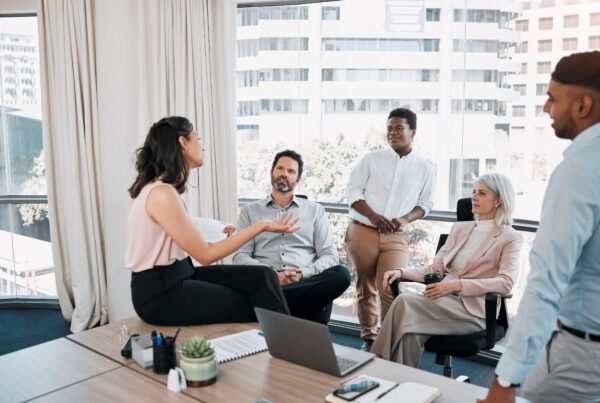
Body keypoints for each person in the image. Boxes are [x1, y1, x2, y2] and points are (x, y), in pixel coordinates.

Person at [479, 52, 600, 403]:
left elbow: (546, 283)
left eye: (552, 98)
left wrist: (504, 381)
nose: (547, 109)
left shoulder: (580, 172)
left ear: (583, 105)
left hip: (581, 360)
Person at [125, 116, 300, 326]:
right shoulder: (162, 193)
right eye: (197, 138)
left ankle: (291, 339)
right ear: (183, 143)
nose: (202, 145)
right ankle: (289, 348)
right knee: (253, 301)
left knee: (263, 276)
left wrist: (214, 233)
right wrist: (261, 226)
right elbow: (206, 256)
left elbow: (173, 241)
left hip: (180, 274)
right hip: (160, 294)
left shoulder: (160, 189)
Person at [371, 173, 523, 367]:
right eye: (474, 192)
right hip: (441, 303)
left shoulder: (510, 237)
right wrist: (401, 272)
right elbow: (435, 268)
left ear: (498, 200)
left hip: (473, 312)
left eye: (482, 193)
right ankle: (402, 387)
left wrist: (456, 285)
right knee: (409, 333)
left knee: (404, 301)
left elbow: (506, 283)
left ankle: (376, 367)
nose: (474, 197)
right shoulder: (460, 229)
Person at [345, 107, 435, 350]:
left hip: (396, 236)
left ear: (413, 132)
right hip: (362, 230)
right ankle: (369, 338)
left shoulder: (425, 168)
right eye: (389, 128)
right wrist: (372, 216)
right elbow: (352, 191)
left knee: (392, 287)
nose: (392, 133)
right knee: (365, 287)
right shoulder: (371, 159)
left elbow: (425, 204)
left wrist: (405, 219)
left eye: (399, 128)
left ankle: (387, 342)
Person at [233, 150, 351, 324]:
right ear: (271, 172)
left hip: (304, 281)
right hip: (268, 282)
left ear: (298, 179)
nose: (284, 174)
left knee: (342, 274)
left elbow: (330, 255)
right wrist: (272, 275)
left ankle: (273, 303)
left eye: (291, 171)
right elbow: (240, 255)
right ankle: (285, 301)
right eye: (280, 168)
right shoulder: (249, 212)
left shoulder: (315, 211)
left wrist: (303, 274)